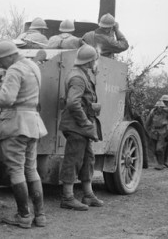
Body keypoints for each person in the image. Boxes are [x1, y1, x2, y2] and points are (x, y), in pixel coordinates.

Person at [0, 40, 48, 228]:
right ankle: (40, 216)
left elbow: (6, 99)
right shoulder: (33, 66)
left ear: (10, 56)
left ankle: (23, 216)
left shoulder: (15, 70)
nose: (0, 64)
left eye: (0, 60)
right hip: (33, 124)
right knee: (31, 169)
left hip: (16, 124)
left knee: (16, 170)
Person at [59, 44, 103, 211]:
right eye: (94, 60)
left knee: (88, 159)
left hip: (80, 125)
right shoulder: (78, 77)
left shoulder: (83, 74)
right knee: (74, 159)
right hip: (76, 125)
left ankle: (88, 195)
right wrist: (86, 124)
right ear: (90, 61)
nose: (95, 63)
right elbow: (72, 102)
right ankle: (67, 197)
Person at [145, 100, 168, 170]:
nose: (160, 108)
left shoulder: (166, 113)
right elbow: (147, 123)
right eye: (158, 107)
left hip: (163, 132)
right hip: (154, 132)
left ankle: (161, 164)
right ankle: (160, 163)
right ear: (156, 107)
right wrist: (148, 131)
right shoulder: (152, 113)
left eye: (161, 107)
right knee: (154, 150)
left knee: (159, 148)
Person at [160, 94, 168, 168]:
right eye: (167, 102)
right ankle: (161, 162)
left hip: (167, 130)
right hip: (160, 130)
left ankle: (164, 162)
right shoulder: (159, 109)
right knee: (160, 146)